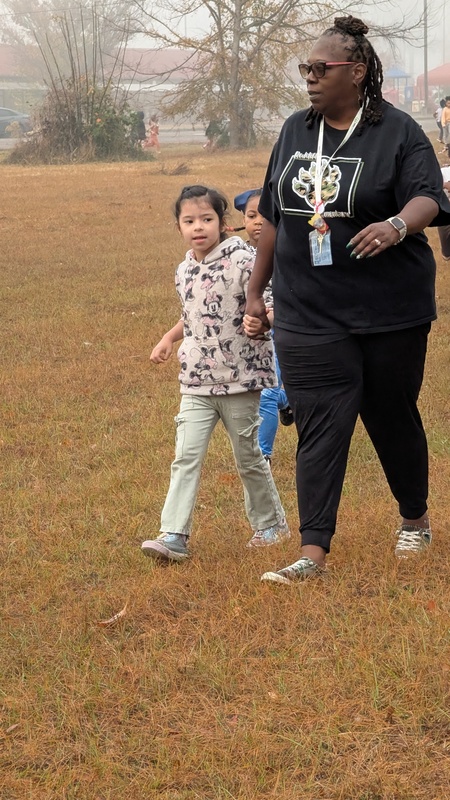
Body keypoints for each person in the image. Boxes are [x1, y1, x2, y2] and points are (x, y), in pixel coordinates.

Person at [244, 15, 450, 585]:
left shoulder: (400, 131)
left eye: (321, 68)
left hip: (390, 310)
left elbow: (429, 198)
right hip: (308, 307)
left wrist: (396, 226)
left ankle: (414, 519)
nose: (309, 78)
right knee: (318, 423)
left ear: (356, 72)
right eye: (305, 69)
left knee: (390, 416)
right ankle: (313, 552)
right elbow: (276, 219)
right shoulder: (293, 130)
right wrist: (255, 293)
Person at [141, 184, 290, 563]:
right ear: (178, 227)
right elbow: (193, 316)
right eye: (189, 221)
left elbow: (273, 304)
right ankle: (173, 534)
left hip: (240, 378)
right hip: (196, 381)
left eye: (206, 219)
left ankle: (271, 525)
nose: (198, 228)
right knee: (185, 455)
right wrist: (168, 338)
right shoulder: (184, 269)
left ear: (223, 224)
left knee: (248, 457)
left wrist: (264, 322)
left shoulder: (245, 261)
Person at [234, 188, 294, 465]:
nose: (259, 221)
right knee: (267, 393)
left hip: (283, 329)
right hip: (250, 334)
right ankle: (289, 400)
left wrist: (273, 317)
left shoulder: (289, 249)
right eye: (251, 215)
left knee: (265, 394)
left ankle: (263, 457)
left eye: (265, 215)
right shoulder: (237, 254)